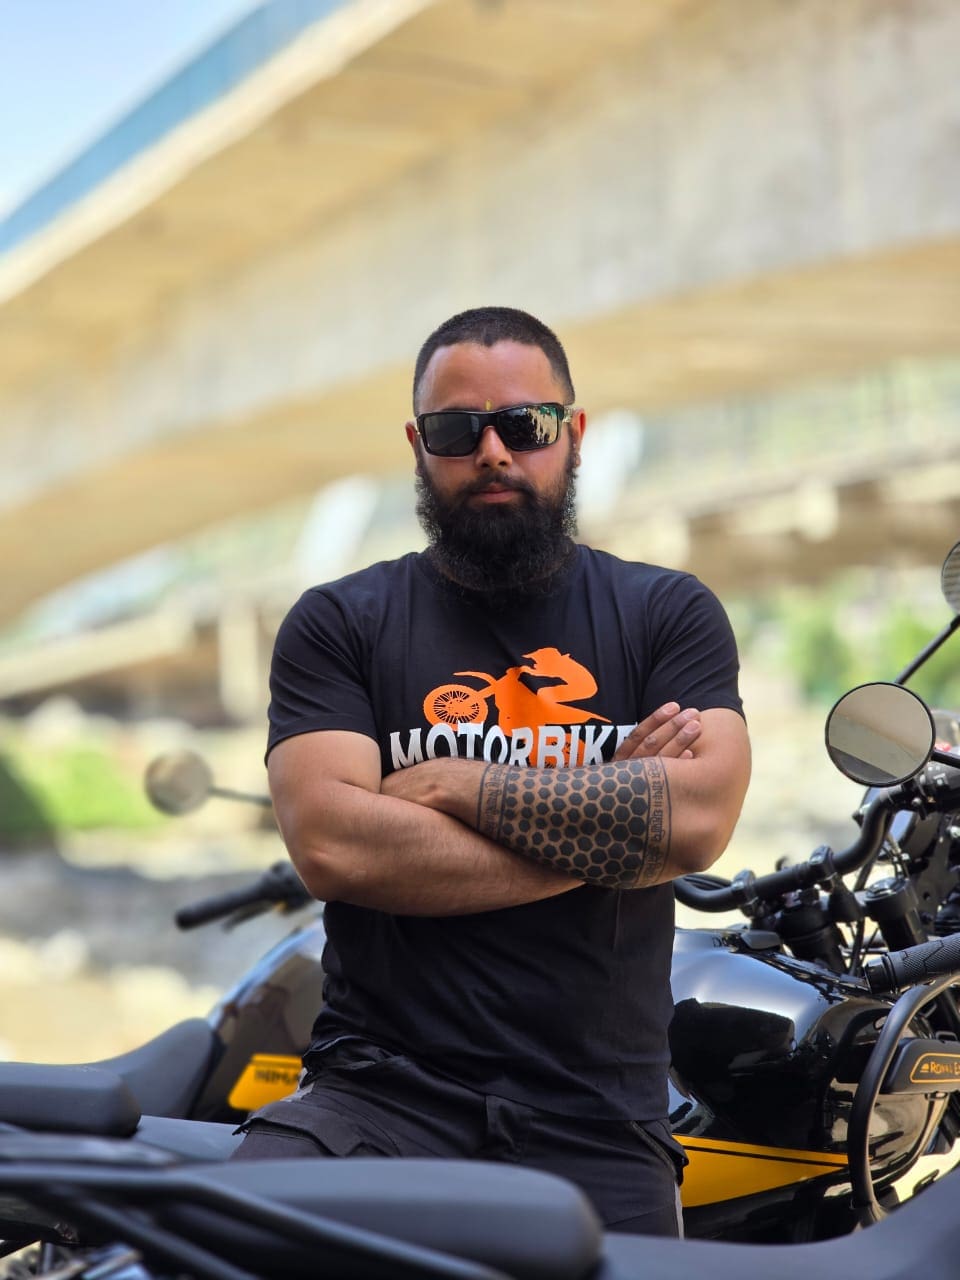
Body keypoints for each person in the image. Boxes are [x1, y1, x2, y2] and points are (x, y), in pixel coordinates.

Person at [233, 306, 751, 1237]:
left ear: (574, 435)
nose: (494, 452)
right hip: (377, 1101)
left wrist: (454, 785)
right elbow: (335, 845)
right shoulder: (340, 623)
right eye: (456, 430)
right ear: (419, 445)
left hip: (599, 1119)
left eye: (527, 424)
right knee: (219, 1242)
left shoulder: (666, 613)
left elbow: (697, 823)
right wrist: (618, 834)